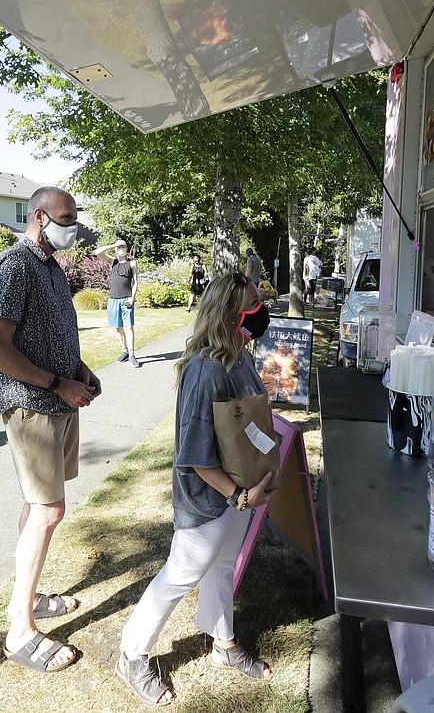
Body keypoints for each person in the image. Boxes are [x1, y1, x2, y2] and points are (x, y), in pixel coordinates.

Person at [117, 272, 277, 705]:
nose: (260, 310)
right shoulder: (206, 370)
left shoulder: (237, 353)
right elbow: (194, 455)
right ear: (229, 313)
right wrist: (239, 496)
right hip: (211, 500)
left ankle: (223, 645)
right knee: (181, 575)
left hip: (238, 494)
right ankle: (132, 652)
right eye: (252, 303)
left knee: (223, 567)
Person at [0, 185, 103, 674]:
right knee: (49, 510)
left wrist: (80, 368)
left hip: (56, 398)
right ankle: (19, 631)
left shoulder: (49, 266)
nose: (73, 225)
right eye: (66, 216)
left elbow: (49, 332)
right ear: (39, 216)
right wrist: (58, 383)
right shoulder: (15, 265)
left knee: (37, 505)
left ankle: (26, 598)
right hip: (32, 402)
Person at [94, 239, 140, 367]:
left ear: (127, 248)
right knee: (118, 328)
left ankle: (131, 354)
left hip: (126, 299)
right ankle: (124, 351)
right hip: (113, 299)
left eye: (123, 246)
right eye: (119, 247)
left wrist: (132, 298)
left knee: (129, 327)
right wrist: (114, 245)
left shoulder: (132, 263)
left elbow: (136, 281)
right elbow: (97, 252)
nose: (121, 248)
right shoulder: (112, 261)